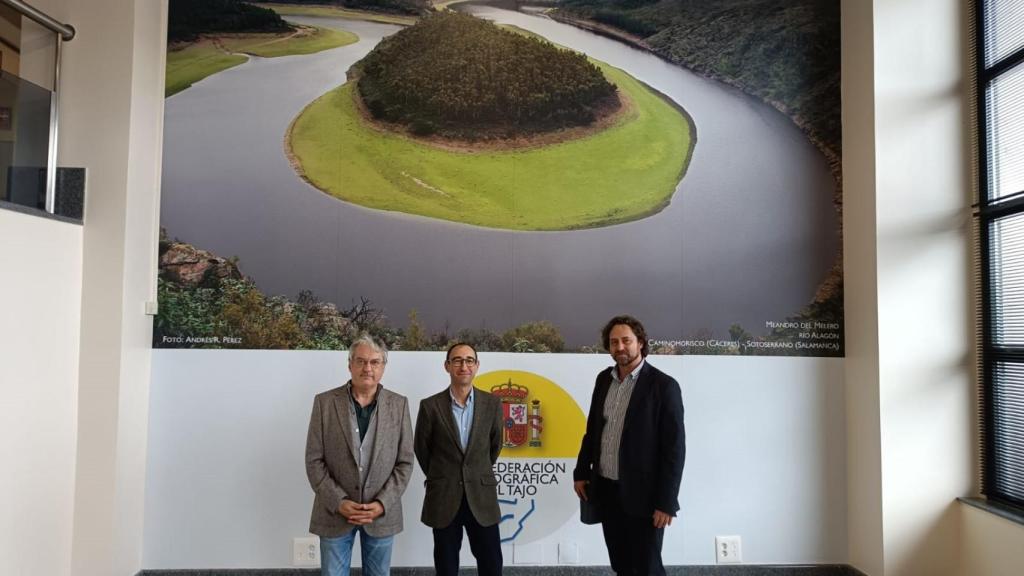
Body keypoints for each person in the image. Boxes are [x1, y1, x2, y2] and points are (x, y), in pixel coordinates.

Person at [573, 315, 686, 576]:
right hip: (607, 490)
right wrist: (581, 472)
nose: (620, 347)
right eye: (614, 342)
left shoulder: (664, 386)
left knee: (647, 567)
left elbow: (674, 450)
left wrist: (666, 502)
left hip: (645, 498)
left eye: (626, 340)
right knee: (621, 563)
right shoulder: (604, 380)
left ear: (641, 343)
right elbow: (592, 431)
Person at [305, 334, 414, 576]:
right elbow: (314, 460)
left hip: (381, 515)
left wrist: (381, 503)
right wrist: (339, 502)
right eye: (361, 361)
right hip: (334, 513)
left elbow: (405, 463)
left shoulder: (399, 405)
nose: (368, 368)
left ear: (383, 367)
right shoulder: (324, 403)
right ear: (350, 364)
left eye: (375, 362)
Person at [414, 342, 504, 576]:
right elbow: (422, 449)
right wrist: (443, 475)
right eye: (457, 360)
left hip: (481, 497)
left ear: (477, 366)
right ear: (447, 366)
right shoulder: (430, 406)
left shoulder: (492, 404)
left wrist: (474, 472)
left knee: (491, 564)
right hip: (444, 496)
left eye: (469, 360)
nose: (463, 365)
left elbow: (494, 447)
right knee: (446, 566)